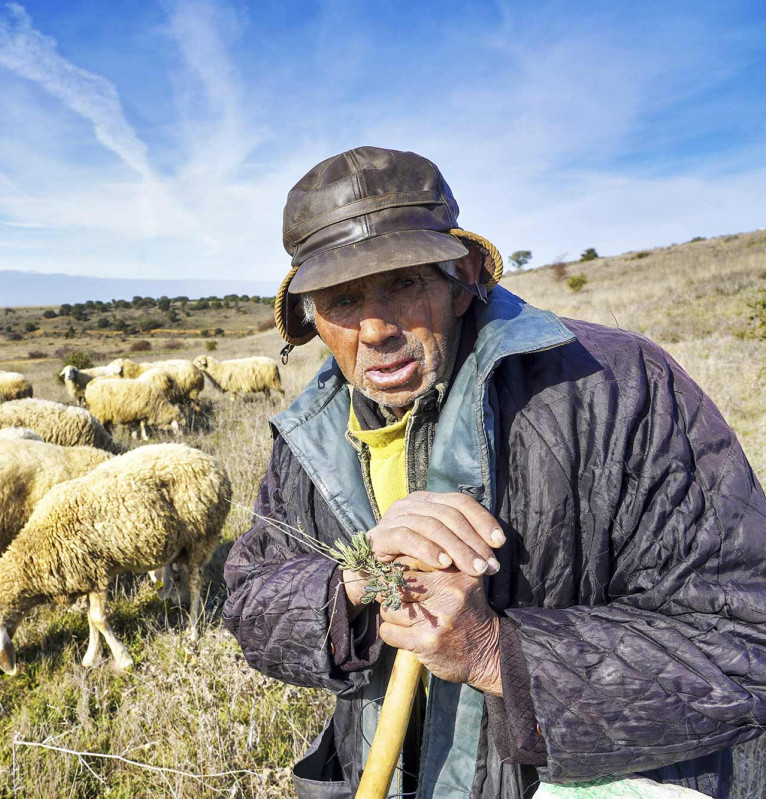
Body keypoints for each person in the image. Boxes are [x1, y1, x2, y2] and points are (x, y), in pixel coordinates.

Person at [222, 146, 766, 799]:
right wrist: (356, 580)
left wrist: (494, 652)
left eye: (403, 281)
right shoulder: (308, 433)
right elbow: (249, 601)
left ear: (463, 278)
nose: (375, 328)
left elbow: (742, 643)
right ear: (310, 316)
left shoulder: (619, 388)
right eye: (341, 298)